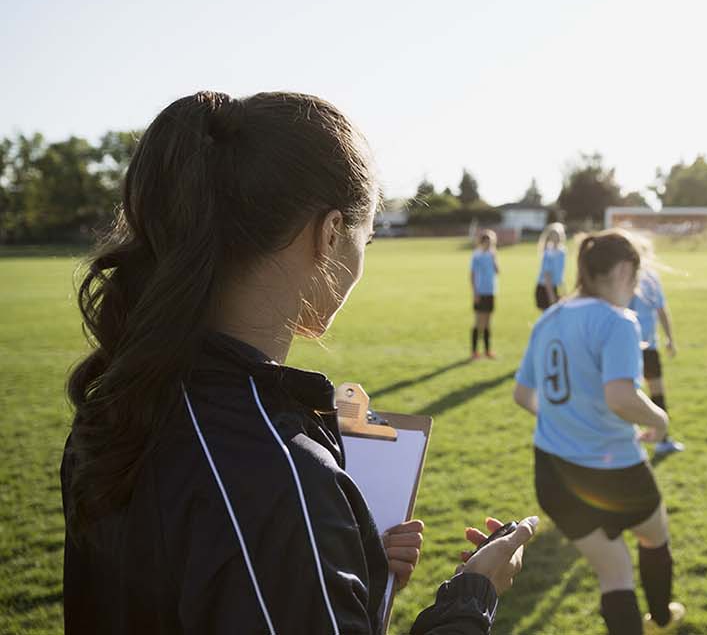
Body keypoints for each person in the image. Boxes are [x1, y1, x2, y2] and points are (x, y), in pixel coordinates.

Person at [61, 91, 536, 635]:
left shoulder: (120, 404)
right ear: (330, 233)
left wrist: (344, 573)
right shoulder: (278, 473)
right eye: (367, 238)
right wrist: (472, 597)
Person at [512, 230, 685, 635]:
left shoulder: (549, 317)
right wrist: (659, 421)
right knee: (653, 537)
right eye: (637, 279)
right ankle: (661, 616)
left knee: (614, 572)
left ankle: (657, 616)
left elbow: (523, 395)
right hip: (615, 469)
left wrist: (564, 418)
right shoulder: (617, 321)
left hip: (552, 473)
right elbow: (621, 398)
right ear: (625, 270)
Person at [629, 237, 683, 456]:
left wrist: (669, 338)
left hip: (646, 345)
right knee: (639, 394)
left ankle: (660, 439)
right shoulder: (629, 279)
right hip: (633, 345)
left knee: (653, 393)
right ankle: (637, 440)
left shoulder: (650, 277)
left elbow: (661, 309)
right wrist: (670, 338)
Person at [470, 230, 500, 359]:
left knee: (488, 322)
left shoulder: (492, 255)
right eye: (486, 242)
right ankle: (474, 351)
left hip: (490, 292)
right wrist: (475, 293)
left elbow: (497, 271)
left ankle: (487, 351)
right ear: (481, 242)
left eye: (490, 242)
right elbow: (472, 275)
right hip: (480, 292)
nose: (488, 244)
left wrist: (494, 259)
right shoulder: (476, 255)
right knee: (478, 322)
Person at [536, 222, 567, 311]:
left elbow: (561, 274)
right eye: (554, 235)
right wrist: (552, 296)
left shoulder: (562, 253)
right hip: (545, 288)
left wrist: (563, 290)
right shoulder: (548, 254)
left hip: (556, 287)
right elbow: (547, 276)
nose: (556, 237)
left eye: (558, 235)